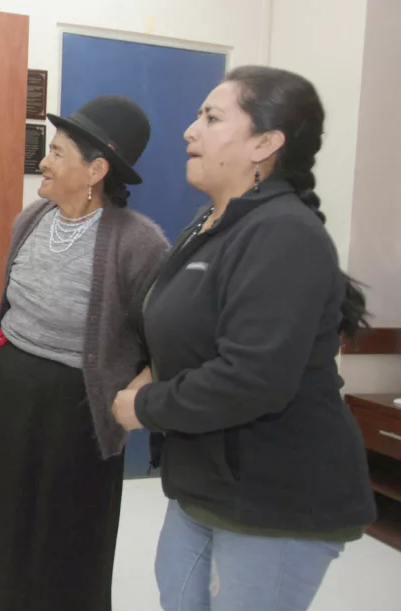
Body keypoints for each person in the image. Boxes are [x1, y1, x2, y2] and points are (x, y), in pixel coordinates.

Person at [112, 66, 377, 611]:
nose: (190, 130)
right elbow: (178, 327)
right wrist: (149, 369)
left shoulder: (283, 233)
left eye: (212, 118)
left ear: (265, 143)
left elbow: (253, 380)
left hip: (274, 495)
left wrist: (145, 405)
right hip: (205, 482)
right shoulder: (210, 223)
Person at [0, 96, 169, 610]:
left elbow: (164, 339)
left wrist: (136, 396)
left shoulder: (139, 242)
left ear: (95, 170)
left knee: (64, 522)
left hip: (79, 408)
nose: (43, 163)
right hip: (11, 390)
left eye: (55, 153)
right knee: (4, 505)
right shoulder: (32, 218)